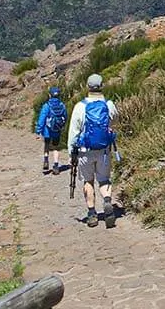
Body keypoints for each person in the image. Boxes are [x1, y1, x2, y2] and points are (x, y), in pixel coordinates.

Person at [66, 73, 118, 228]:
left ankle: (92, 214)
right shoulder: (109, 105)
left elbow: (73, 132)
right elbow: (114, 121)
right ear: (102, 86)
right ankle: (107, 201)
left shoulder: (80, 107)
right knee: (104, 179)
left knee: (88, 181)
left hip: (84, 151)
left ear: (87, 87)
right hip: (103, 150)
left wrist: (71, 153)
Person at [34, 86, 67, 175]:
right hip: (57, 129)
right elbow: (65, 117)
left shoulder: (46, 106)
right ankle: (56, 166)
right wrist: (62, 126)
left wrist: (38, 131)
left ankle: (46, 159)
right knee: (56, 147)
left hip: (47, 130)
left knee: (47, 144)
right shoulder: (62, 105)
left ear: (50, 95)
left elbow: (42, 119)